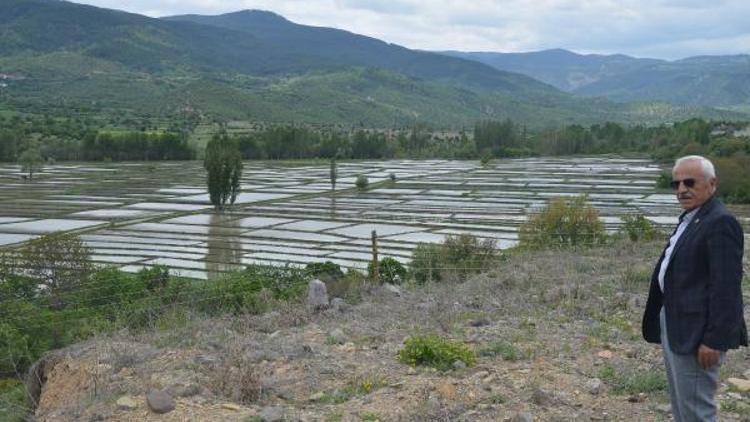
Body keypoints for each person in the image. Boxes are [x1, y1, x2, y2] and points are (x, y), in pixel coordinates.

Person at [642, 155, 746, 421]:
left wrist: (714, 339)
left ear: (712, 184)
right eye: (675, 184)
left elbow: (726, 288)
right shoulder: (693, 217)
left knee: (697, 410)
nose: (681, 190)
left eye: (689, 182)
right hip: (677, 323)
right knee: (683, 406)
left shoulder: (720, 222)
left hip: (697, 332)